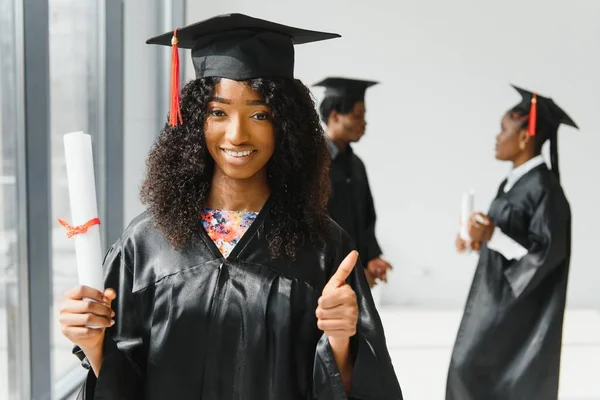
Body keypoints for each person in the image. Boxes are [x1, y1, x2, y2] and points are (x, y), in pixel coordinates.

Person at [58, 13, 403, 400]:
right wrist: (92, 344)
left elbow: (359, 386)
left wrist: (339, 342)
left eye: (259, 114)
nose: (237, 134)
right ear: (193, 122)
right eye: (218, 113)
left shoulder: (323, 248)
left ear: (286, 125)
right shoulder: (146, 244)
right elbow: (122, 378)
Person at [446, 84, 578, 400]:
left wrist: (492, 234)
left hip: (516, 309)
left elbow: (544, 254)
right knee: (468, 372)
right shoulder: (513, 182)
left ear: (524, 137)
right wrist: (476, 240)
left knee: (475, 371)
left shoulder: (546, 190)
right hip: (494, 296)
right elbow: (506, 240)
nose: (497, 136)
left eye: (503, 129)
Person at [313, 77, 392, 288]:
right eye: (357, 115)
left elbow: (366, 217)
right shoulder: (313, 162)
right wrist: (350, 272)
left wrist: (371, 257)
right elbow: (316, 226)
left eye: (364, 115)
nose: (364, 122)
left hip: (355, 271)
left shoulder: (356, 165)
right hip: (324, 276)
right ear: (335, 116)